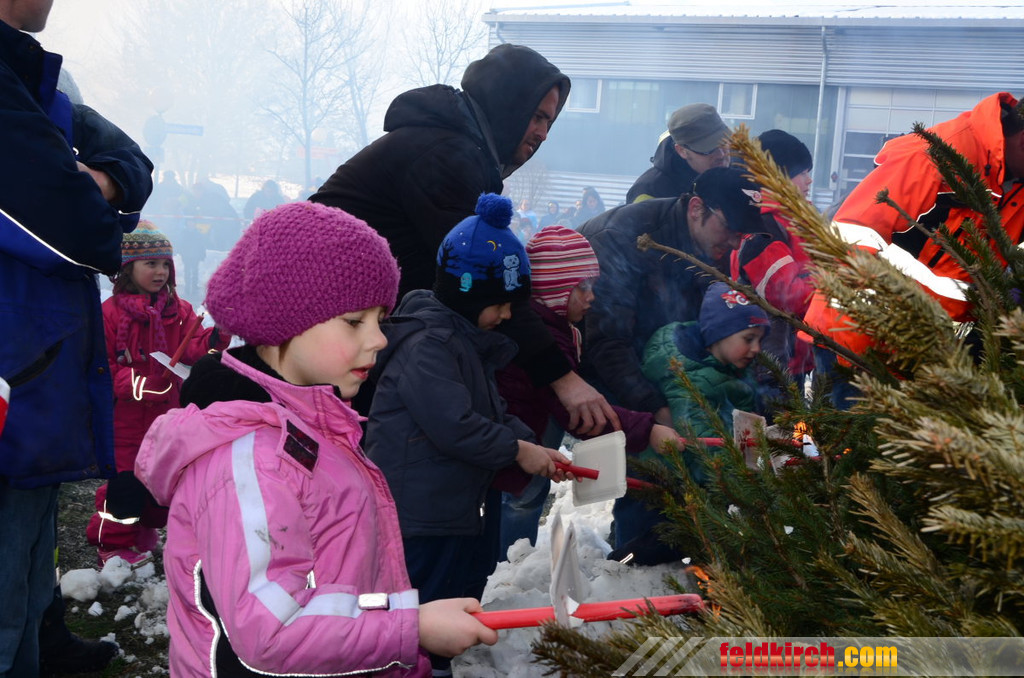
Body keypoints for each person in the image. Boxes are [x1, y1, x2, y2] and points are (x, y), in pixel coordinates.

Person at [134, 202, 498, 676]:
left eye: (381, 319)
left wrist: (403, 622)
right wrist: (409, 628)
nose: (380, 339)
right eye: (355, 321)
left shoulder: (317, 424)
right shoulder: (251, 462)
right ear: (282, 323)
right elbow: (271, 631)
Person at [311, 43, 617, 436]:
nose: (543, 133)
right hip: (319, 325)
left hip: (351, 328)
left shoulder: (463, 152)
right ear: (508, 104)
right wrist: (562, 378)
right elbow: (489, 278)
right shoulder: (443, 155)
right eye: (537, 117)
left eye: (549, 122)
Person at [0, 2, 153, 675]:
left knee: (29, 578)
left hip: (31, 384)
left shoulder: (35, 77)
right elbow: (85, 232)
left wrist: (98, 180)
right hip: (15, 381)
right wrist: (91, 193)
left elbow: (132, 161)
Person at [364, 194, 570, 677]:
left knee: (455, 594)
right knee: (421, 607)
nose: (506, 315)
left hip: (450, 507)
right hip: (418, 515)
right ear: (468, 295)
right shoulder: (429, 345)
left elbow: (490, 412)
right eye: (499, 304)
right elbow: (455, 426)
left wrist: (534, 446)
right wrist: (518, 450)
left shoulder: (465, 343)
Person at [803, 92, 1024, 403]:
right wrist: (887, 327)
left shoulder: (1016, 185)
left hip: (931, 357)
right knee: (849, 433)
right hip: (859, 341)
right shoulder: (937, 155)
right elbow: (850, 237)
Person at [495, 225, 680, 552]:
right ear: (553, 288)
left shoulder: (557, 328)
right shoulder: (547, 338)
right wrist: (648, 430)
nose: (591, 296)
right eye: (582, 287)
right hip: (513, 443)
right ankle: (506, 562)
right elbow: (577, 413)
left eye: (592, 286)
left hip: (525, 435)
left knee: (522, 496)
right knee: (518, 500)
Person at [85, 222, 230, 567]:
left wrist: (217, 335)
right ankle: (112, 544)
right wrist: (139, 385)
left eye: (165, 264)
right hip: (124, 420)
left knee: (161, 478)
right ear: (128, 268)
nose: (161, 271)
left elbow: (192, 347)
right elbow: (102, 367)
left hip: (167, 416)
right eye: (151, 264)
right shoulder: (109, 314)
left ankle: (142, 526)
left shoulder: (178, 311)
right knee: (125, 483)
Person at [579, 166, 764, 421]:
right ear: (696, 208)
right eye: (729, 227)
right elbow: (607, 341)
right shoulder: (624, 237)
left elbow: (705, 328)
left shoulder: (712, 246)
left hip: (654, 366)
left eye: (742, 234)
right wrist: (656, 409)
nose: (735, 243)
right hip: (582, 365)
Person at [613, 282, 769, 565]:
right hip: (664, 477)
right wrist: (747, 492)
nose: (757, 348)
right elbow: (702, 446)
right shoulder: (686, 376)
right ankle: (618, 567)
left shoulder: (729, 365)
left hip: (694, 479)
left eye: (760, 339)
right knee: (653, 545)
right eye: (749, 339)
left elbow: (746, 418)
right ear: (719, 333)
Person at [730, 129, 816, 387]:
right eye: (802, 173)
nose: (809, 180)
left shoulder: (798, 218)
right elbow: (786, 296)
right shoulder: (763, 226)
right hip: (771, 361)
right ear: (778, 176)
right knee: (777, 413)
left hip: (798, 352)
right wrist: (830, 283)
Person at [626, 103, 731, 203]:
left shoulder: (737, 169)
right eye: (708, 150)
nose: (721, 155)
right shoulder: (650, 192)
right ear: (682, 151)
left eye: (724, 143)